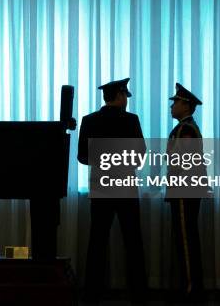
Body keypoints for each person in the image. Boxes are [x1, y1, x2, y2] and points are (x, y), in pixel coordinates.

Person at [78, 78, 147, 303]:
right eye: (125, 96)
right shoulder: (131, 120)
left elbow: (82, 156)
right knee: (133, 241)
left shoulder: (88, 121)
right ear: (119, 95)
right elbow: (140, 156)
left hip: (101, 187)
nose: (126, 100)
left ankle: (91, 292)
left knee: (97, 240)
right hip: (126, 187)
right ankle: (138, 293)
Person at [166, 83, 209, 301]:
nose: (172, 106)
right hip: (185, 189)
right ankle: (190, 286)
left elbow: (184, 162)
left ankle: (191, 290)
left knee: (186, 239)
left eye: (175, 102)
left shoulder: (186, 129)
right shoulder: (185, 128)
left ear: (186, 104)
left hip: (184, 190)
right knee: (186, 237)